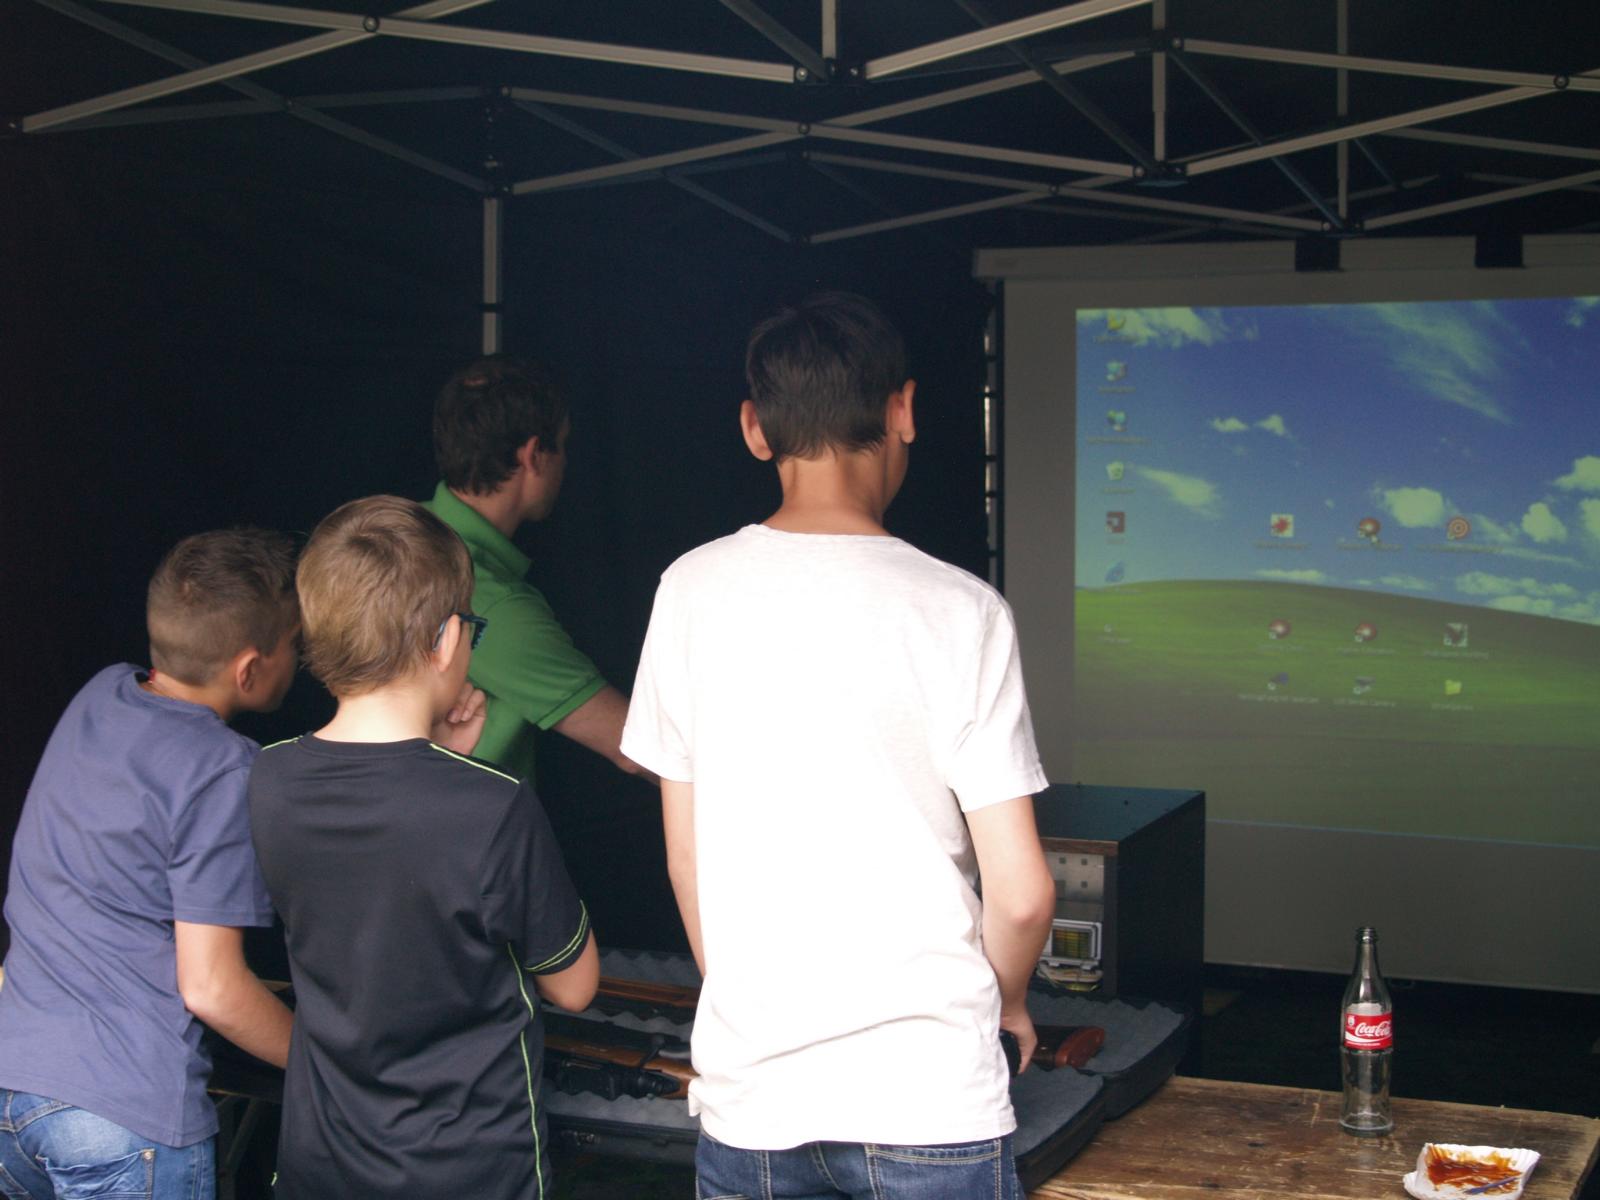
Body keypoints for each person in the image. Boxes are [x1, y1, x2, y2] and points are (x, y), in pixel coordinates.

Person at [621, 292, 1058, 1200]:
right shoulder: (963, 611)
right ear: (905, 410)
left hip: (754, 1098)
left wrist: (759, 1020)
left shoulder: (688, 591)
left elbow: (686, 860)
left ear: (754, 427)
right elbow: (1021, 897)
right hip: (929, 1100)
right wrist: (1007, 1003)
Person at [248, 495, 598, 1200]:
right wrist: (458, 770)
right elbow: (574, 984)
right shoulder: (493, 807)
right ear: (444, 642)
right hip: (466, 1171)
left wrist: (442, 759)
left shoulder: (269, 777)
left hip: (323, 1163)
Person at [0, 529, 299, 1200]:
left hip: (13, 1088)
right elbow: (212, 988)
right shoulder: (223, 768)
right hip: (120, 1118)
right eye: (295, 643)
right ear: (250, 669)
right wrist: (332, 1069)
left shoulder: (99, 695)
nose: (301, 656)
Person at [425, 355, 650, 783]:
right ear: (533, 455)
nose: (565, 462)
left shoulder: (387, 536)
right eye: (562, 445)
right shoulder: (489, 600)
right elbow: (637, 750)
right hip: (469, 823)